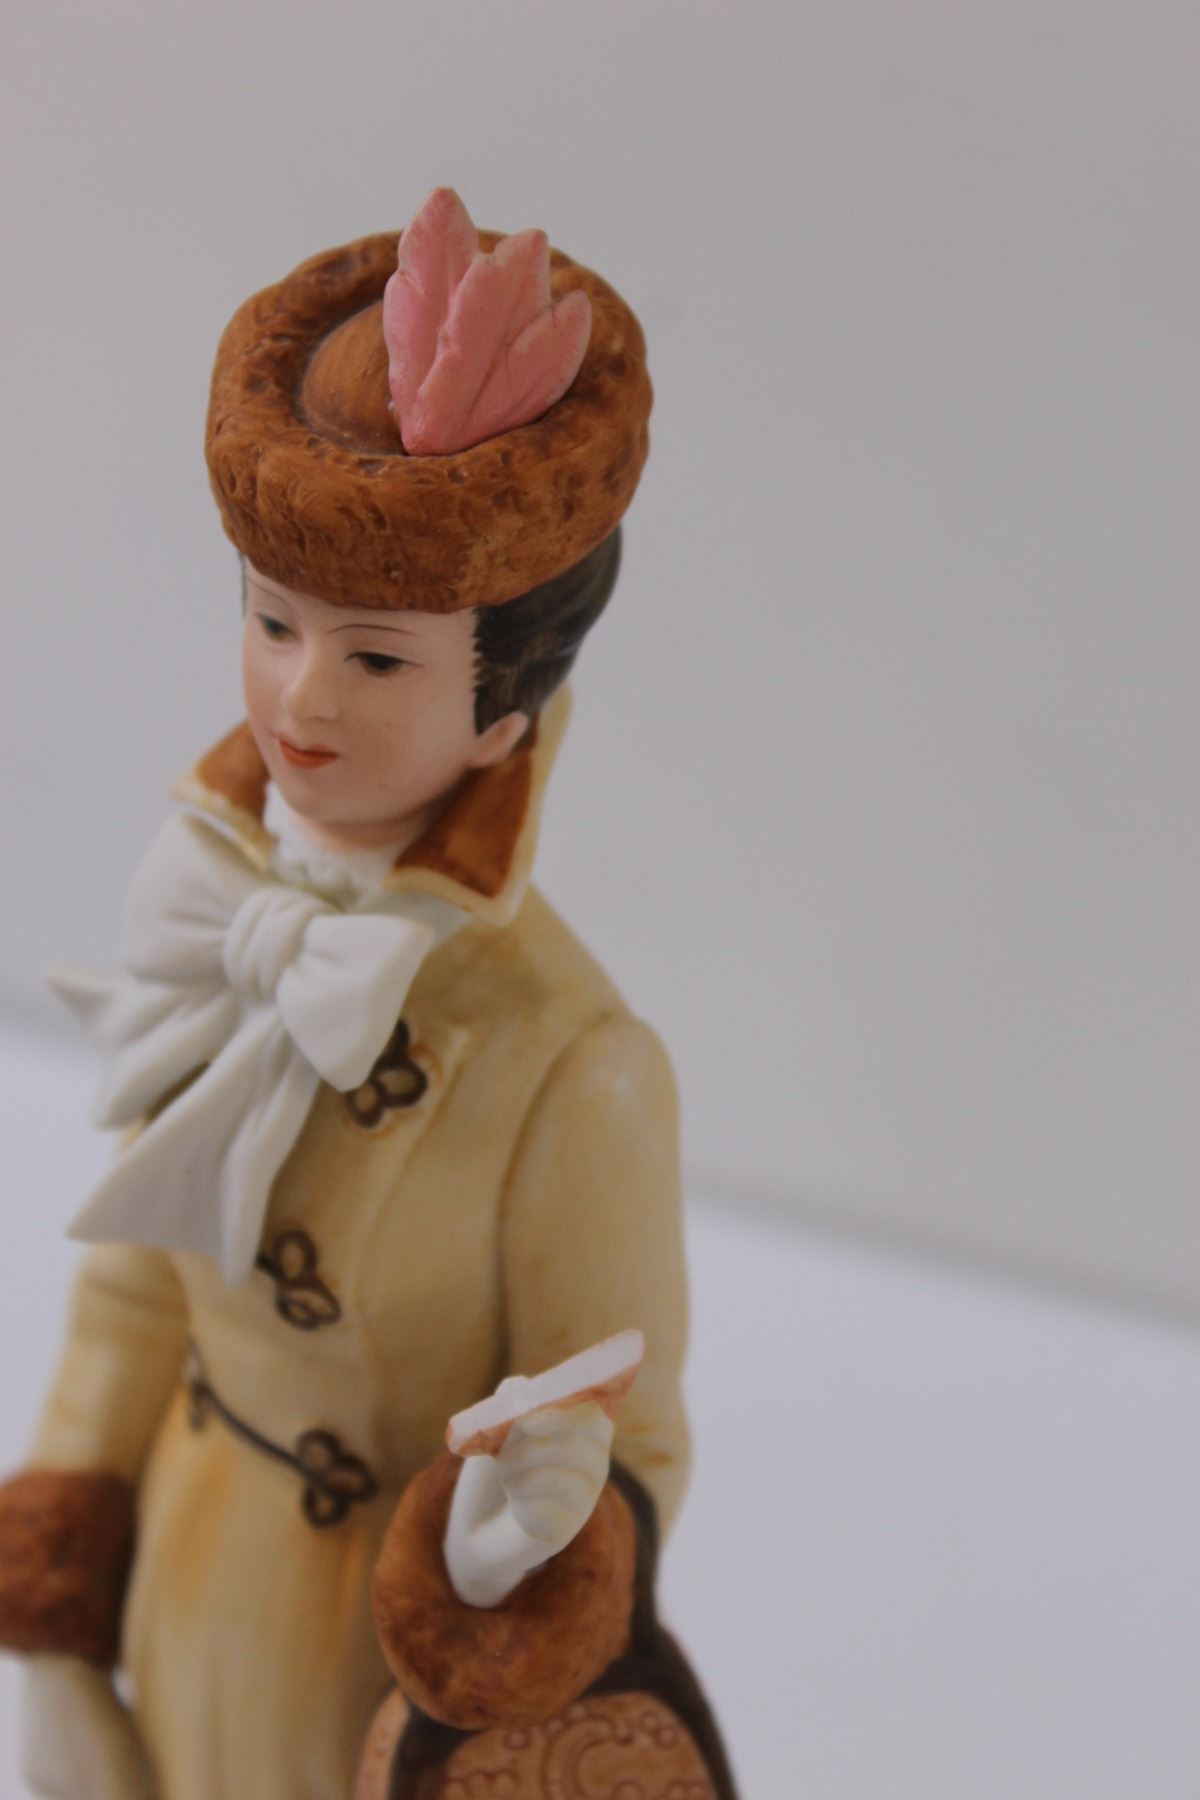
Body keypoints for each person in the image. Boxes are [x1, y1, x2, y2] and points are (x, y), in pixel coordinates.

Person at [0, 190, 737, 1799]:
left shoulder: (577, 1064)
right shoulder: (210, 907)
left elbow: (635, 1442)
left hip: (376, 1674)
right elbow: (132, 1295)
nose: (299, 697)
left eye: (380, 657)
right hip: (179, 1581)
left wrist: (515, 1545)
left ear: (503, 713)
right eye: (272, 622)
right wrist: (50, 1642)